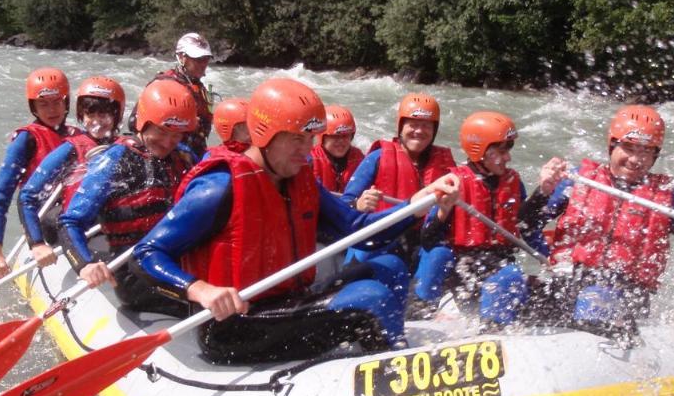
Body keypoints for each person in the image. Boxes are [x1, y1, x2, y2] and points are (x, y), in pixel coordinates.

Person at [132, 77, 460, 363]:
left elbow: (361, 233)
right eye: (297, 139)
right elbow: (147, 254)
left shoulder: (301, 179)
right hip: (235, 328)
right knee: (370, 299)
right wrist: (199, 289)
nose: (307, 151)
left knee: (389, 267)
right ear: (265, 133)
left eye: (311, 140)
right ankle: (392, 374)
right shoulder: (219, 188)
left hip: (288, 303)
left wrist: (414, 206)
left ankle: (381, 351)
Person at [525, 105, 674, 335]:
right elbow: (524, 228)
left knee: (595, 296)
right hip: (566, 284)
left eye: (645, 151)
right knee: (509, 287)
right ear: (612, 145)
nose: (635, 159)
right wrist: (542, 193)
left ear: (655, 155)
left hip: (623, 298)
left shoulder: (667, 198)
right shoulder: (576, 181)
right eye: (628, 148)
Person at [59, 80, 198, 315]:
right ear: (143, 123)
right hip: (134, 272)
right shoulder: (114, 160)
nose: (168, 142)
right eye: (162, 131)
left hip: (175, 260)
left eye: (177, 135)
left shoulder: (184, 156)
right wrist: (85, 264)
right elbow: (70, 222)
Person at [412, 111, 535, 325]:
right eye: (501, 150)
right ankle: (420, 310)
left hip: (497, 262)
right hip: (462, 267)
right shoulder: (453, 183)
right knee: (438, 255)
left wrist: (543, 193)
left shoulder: (513, 182)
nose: (508, 157)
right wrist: (442, 211)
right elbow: (427, 239)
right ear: (480, 150)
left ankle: (494, 326)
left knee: (511, 275)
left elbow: (526, 225)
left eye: (509, 149)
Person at [17, 75, 125, 267]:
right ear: (82, 116)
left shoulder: (127, 147)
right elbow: (27, 196)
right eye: (91, 115)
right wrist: (37, 244)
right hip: (76, 227)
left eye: (104, 115)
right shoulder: (71, 149)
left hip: (111, 225)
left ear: (117, 116)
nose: (97, 121)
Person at [0, 67, 81, 279]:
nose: (51, 110)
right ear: (33, 107)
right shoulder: (26, 140)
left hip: (77, 217)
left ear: (66, 103)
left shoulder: (80, 136)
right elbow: (0, 196)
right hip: (43, 224)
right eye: (43, 104)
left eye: (57, 102)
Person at [341, 92, 456, 262]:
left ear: (434, 130)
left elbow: (451, 218)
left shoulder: (445, 164)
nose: (419, 131)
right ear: (401, 127)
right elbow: (344, 204)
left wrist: (444, 212)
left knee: (441, 255)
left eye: (426, 126)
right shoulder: (378, 157)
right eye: (413, 124)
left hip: (423, 240)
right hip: (381, 236)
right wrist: (358, 204)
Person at [135, 31, 215, 159]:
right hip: (170, 152)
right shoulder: (163, 85)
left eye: (206, 59)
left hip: (193, 151)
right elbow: (135, 121)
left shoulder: (200, 88)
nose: (203, 64)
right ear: (182, 57)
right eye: (198, 59)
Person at [309, 105, 364, 194]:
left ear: (351, 136)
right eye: (335, 137)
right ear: (323, 137)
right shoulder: (310, 160)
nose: (341, 141)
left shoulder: (359, 158)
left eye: (345, 136)